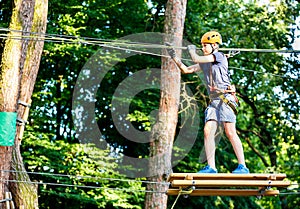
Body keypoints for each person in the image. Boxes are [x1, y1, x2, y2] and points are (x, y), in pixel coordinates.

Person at [166, 31, 249, 174]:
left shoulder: (219, 56)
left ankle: (243, 166)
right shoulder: (204, 63)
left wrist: (192, 51)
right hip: (214, 101)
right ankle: (211, 167)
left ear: (215, 46)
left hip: (225, 99)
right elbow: (186, 70)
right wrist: (173, 56)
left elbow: (196, 56)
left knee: (230, 131)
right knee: (207, 130)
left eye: (206, 45)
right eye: (202, 46)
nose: (203, 48)